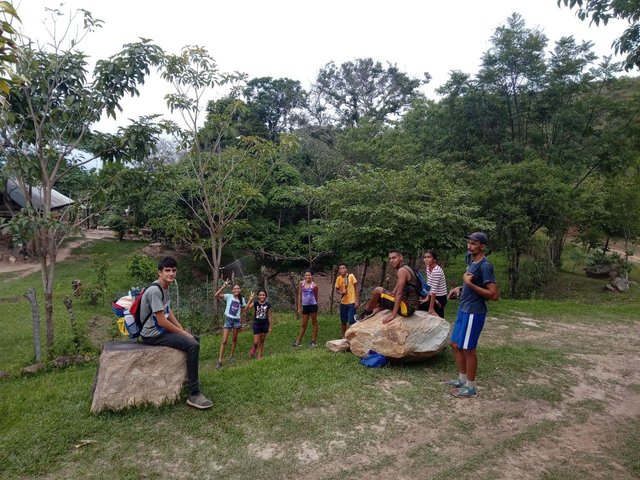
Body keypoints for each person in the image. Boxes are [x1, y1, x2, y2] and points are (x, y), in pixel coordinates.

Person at [140, 256, 213, 410]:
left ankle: (188, 378)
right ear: (160, 272)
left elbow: (167, 310)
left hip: (159, 329)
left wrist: (181, 328)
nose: (171, 274)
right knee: (192, 344)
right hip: (152, 334)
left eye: (173, 270)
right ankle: (194, 393)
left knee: (195, 339)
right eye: (167, 270)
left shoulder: (165, 287)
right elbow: (161, 321)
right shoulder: (155, 290)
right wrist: (184, 333)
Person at [446, 232, 499, 398]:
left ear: (482, 246)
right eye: (469, 243)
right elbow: (471, 284)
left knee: (469, 348)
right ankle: (462, 379)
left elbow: (493, 295)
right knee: (455, 344)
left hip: (474, 312)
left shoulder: (485, 266)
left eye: (474, 244)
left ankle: (471, 386)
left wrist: (469, 284)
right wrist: (460, 289)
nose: (469, 246)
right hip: (463, 309)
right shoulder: (471, 261)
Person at [361, 250, 420, 324]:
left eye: (394, 258)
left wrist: (393, 315)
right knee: (384, 297)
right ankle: (376, 310)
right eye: (390, 259)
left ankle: (367, 312)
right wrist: (392, 293)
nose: (391, 260)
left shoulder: (401, 271)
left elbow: (400, 293)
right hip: (411, 308)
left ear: (401, 257)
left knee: (377, 290)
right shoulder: (406, 267)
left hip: (407, 308)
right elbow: (398, 284)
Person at [215, 280, 249, 368]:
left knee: (234, 339)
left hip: (237, 321)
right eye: (235, 289)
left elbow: (243, 311)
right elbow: (216, 295)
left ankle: (231, 356)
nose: (236, 290)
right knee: (224, 340)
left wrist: (242, 322)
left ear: (240, 290)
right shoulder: (228, 296)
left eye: (238, 288)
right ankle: (219, 360)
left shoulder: (242, 299)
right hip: (228, 320)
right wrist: (224, 286)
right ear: (232, 290)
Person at [418, 250, 448, 318]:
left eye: (428, 257)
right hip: (433, 296)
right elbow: (429, 285)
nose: (426, 259)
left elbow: (434, 291)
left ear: (434, 259)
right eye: (425, 257)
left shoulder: (436, 271)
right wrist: (427, 297)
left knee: (418, 305)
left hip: (440, 298)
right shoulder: (428, 268)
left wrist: (431, 309)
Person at [293, 270, 319, 348]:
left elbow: (316, 296)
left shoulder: (314, 286)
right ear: (304, 276)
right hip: (305, 306)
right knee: (304, 324)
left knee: (314, 323)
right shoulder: (302, 283)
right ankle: (298, 341)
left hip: (313, 306)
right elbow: (299, 295)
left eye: (309, 275)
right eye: (306, 275)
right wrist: (299, 307)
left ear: (311, 276)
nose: (307, 277)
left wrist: (313, 304)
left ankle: (313, 341)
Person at [334, 263, 360, 338]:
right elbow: (337, 290)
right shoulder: (339, 278)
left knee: (351, 320)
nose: (342, 269)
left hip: (352, 302)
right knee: (343, 320)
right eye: (340, 268)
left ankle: (355, 335)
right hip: (343, 302)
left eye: (343, 268)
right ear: (339, 270)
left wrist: (357, 300)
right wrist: (341, 292)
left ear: (346, 269)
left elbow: (356, 288)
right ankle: (344, 336)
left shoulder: (351, 276)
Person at [246, 289, 272, 359]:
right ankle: (254, 349)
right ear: (258, 296)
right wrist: (250, 300)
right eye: (260, 295)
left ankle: (259, 356)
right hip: (257, 324)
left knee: (262, 340)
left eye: (263, 295)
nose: (262, 296)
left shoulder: (268, 304)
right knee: (256, 342)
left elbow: (269, 316)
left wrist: (270, 327)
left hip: (265, 324)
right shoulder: (255, 303)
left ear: (266, 296)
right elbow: (246, 309)